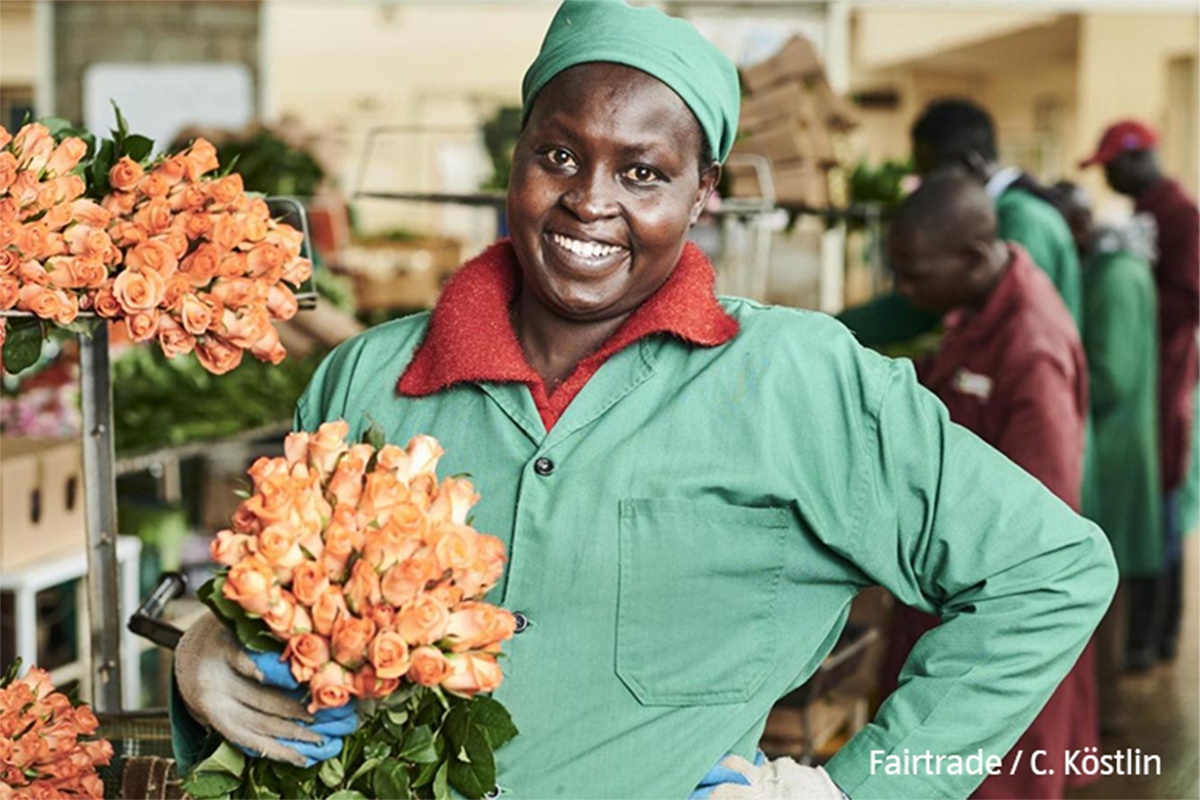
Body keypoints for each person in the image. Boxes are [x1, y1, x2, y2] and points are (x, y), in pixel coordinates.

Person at [171, 3, 1117, 797]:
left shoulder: (799, 381)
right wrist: (206, 646)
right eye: (558, 156)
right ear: (517, 160)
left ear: (705, 192)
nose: (590, 202)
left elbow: (1052, 573)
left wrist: (857, 789)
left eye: (643, 172)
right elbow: (280, 616)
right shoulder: (366, 379)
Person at [878, 171, 1098, 799]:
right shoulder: (982, 305)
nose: (905, 290)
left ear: (973, 258)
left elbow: (1039, 534)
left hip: (995, 630)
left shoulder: (1032, 352)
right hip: (953, 606)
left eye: (915, 275)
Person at [1081, 120, 1200, 669]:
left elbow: (1189, 297)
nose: (1108, 176)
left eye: (1111, 164)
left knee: (1162, 515)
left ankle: (1155, 637)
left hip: (1166, 387)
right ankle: (1150, 638)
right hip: (1153, 386)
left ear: (1137, 158)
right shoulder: (1150, 214)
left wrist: (1134, 294)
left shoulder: (1178, 216)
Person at [1050, 180, 1160, 733]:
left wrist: (1052, 376)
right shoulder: (1129, 271)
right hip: (1122, 446)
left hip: (1111, 452)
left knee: (1101, 593)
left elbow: (1112, 374)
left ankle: (1101, 714)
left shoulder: (1114, 279)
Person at [839, 98, 1083, 346]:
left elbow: (925, 312)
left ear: (971, 163)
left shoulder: (1024, 219)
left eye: (930, 172)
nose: (926, 186)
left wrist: (830, 328)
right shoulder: (1002, 212)